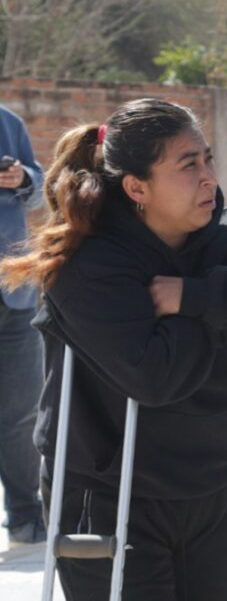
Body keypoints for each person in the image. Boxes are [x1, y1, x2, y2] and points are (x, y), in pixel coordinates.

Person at [0, 98, 227, 600]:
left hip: (215, 489)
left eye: (208, 159)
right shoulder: (90, 264)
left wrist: (199, 296)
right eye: (188, 165)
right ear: (136, 188)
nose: (209, 176)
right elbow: (154, 378)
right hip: (110, 495)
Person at [0, 104, 46, 547]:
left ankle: (25, 514)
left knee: (21, 410)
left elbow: (40, 189)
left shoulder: (8, 122)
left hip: (13, 289)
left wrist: (25, 179)